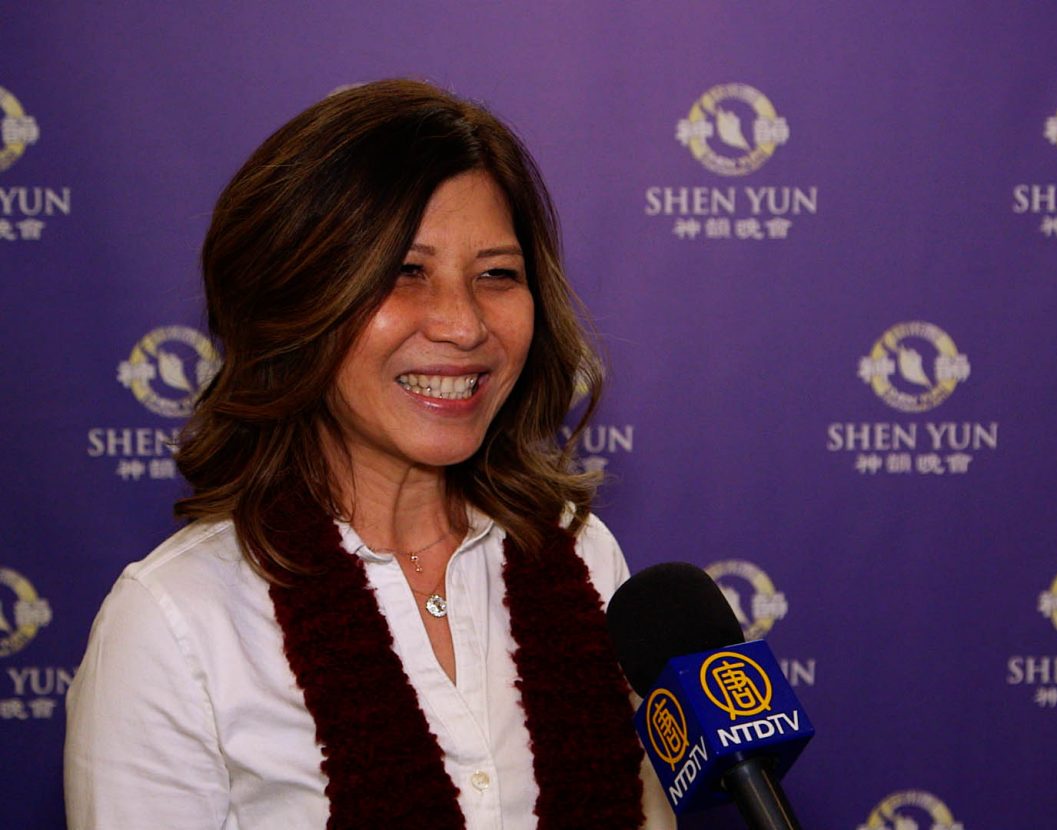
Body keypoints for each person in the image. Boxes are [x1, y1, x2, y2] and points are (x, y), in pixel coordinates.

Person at [64, 79, 674, 830]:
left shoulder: (583, 557)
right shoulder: (175, 623)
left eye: (496, 275)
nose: (463, 324)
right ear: (293, 301)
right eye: (404, 273)